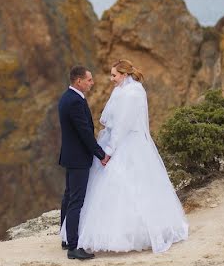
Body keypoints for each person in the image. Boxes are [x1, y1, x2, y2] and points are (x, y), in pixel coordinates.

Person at [61, 59, 188, 254]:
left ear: (124, 74)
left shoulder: (134, 92)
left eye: (114, 75)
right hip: (110, 142)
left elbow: (124, 124)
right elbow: (107, 117)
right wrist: (105, 143)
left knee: (134, 188)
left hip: (128, 144)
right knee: (96, 191)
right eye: (111, 75)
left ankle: (135, 233)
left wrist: (109, 150)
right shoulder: (119, 90)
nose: (111, 79)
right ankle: (73, 240)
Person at [58, 65, 110, 260]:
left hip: (70, 156)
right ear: (78, 81)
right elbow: (85, 133)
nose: (92, 82)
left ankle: (65, 239)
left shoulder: (66, 97)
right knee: (76, 201)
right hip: (79, 158)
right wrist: (100, 154)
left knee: (69, 196)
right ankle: (73, 247)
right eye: (89, 80)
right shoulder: (75, 102)